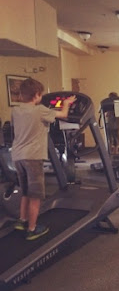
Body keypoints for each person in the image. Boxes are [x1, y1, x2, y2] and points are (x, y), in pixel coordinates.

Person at [11, 78, 76, 240]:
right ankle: (32, 229)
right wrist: (66, 103)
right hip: (33, 157)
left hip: (18, 156)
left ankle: (22, 220)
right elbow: (63, 115)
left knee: (25, 191)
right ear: (36, 95)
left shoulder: (15, 110)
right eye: (40, 95)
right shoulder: (40, 110)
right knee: (36, 195)